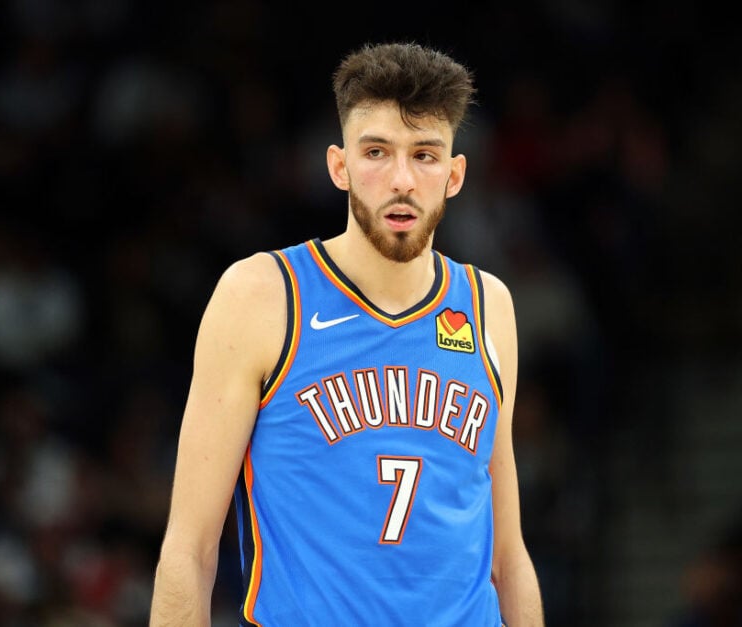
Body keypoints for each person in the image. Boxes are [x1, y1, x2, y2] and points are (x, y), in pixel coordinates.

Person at [149, 41, 545, 626]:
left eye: (426, 155)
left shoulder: (490, 305)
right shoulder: (261, 295)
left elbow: (507, 557)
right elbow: (189, 549)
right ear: (339, 165)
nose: (402, 179)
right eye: (377, 152)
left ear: (455, 174)